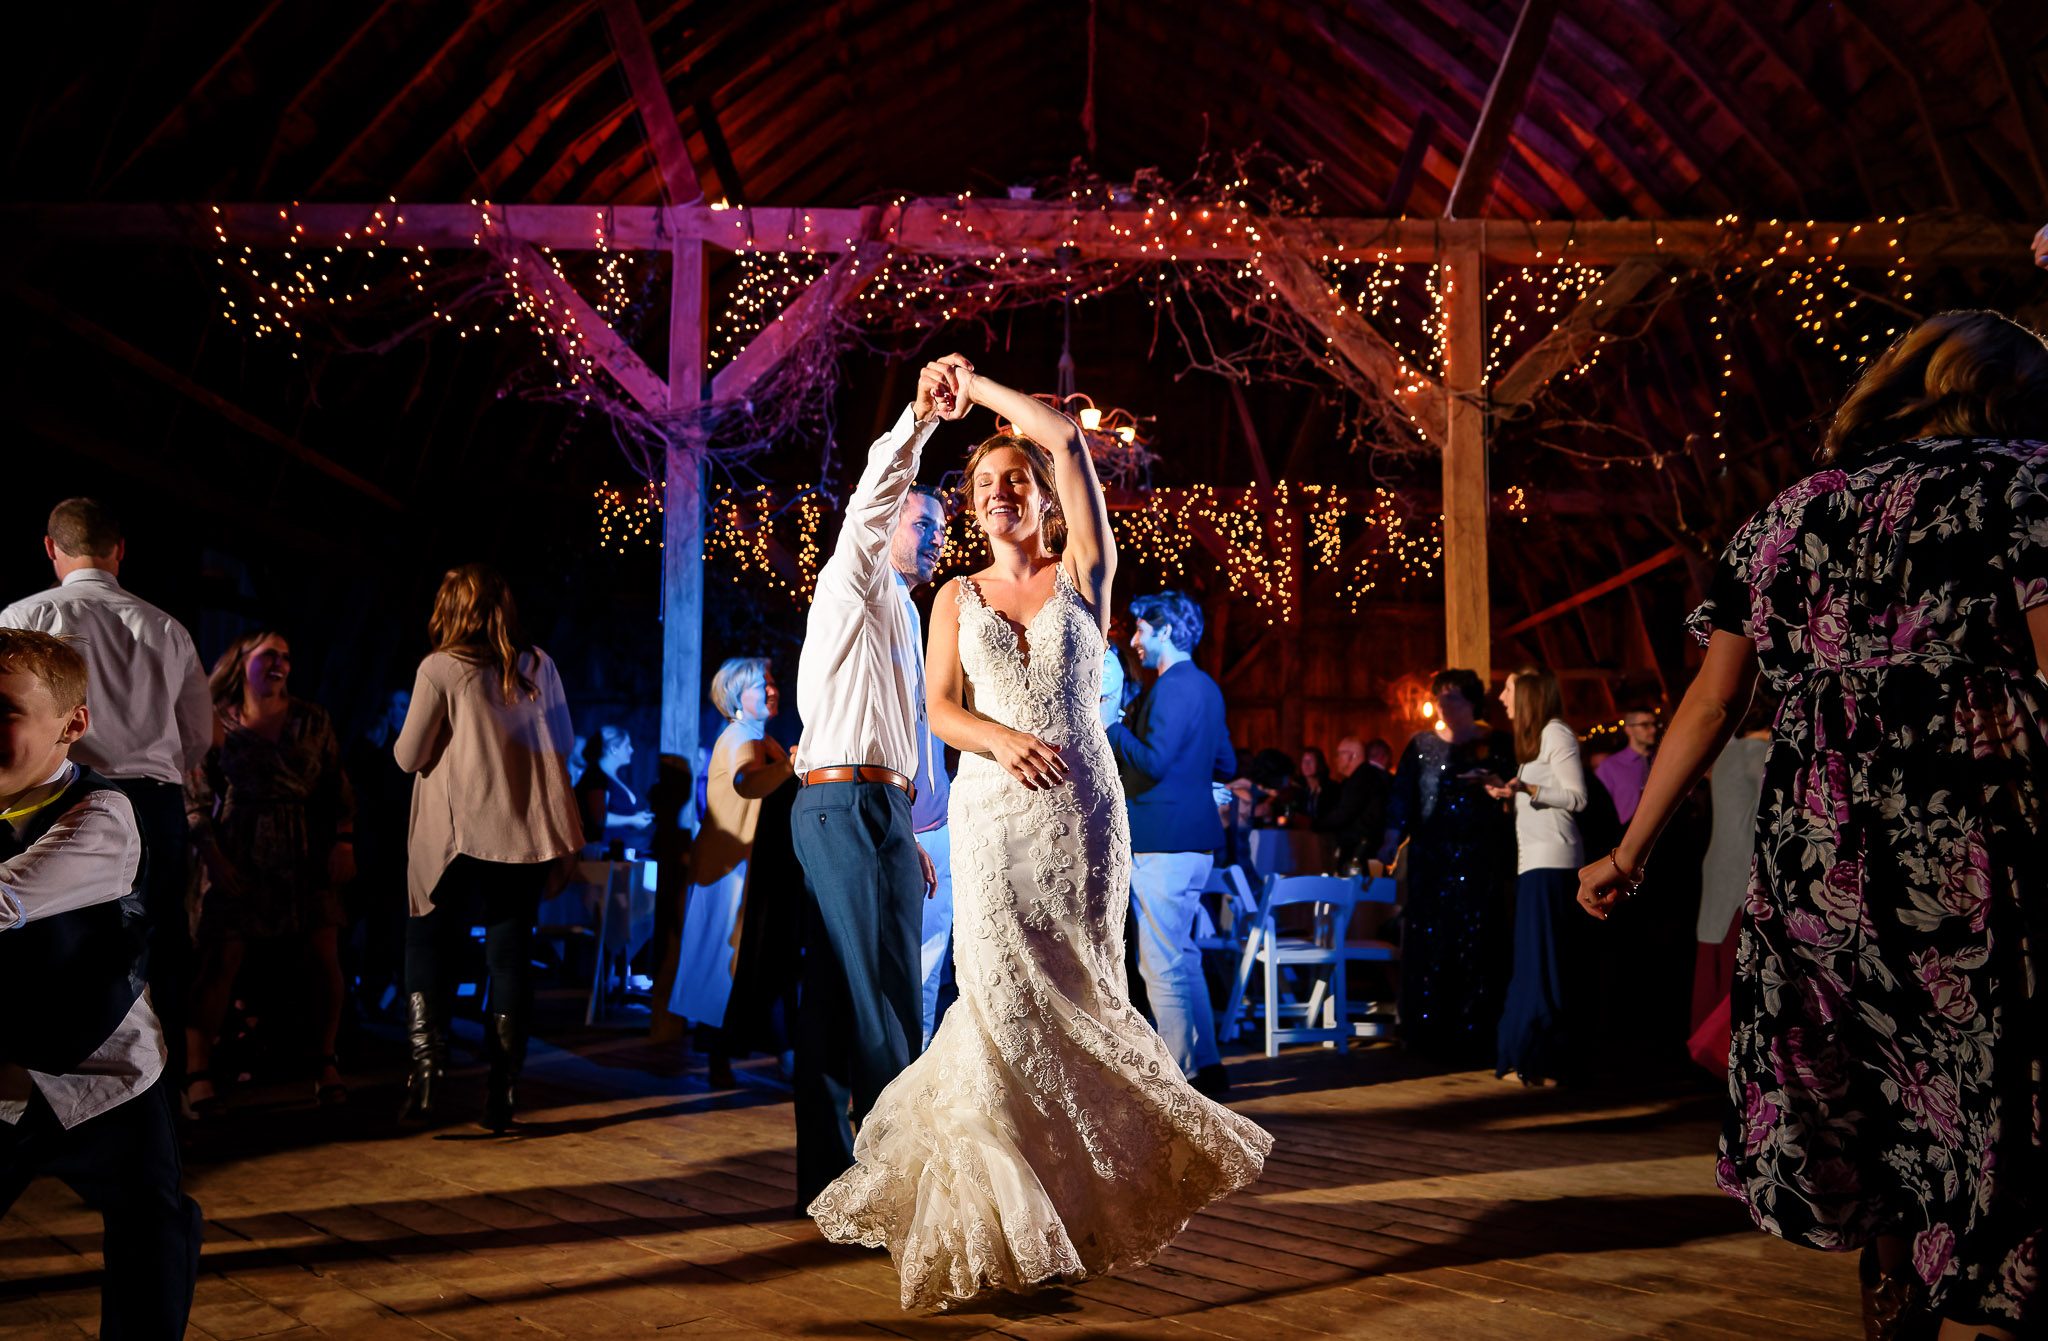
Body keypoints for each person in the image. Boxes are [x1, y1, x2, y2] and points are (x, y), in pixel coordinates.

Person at [1577, 311, 2048, 1339]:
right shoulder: (2026, 485)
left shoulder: (1788, 514)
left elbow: (1711, 704)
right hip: (1974, 831)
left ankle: (1895, 1302)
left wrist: (1627, 849)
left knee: (1864, 1081)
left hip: (1819, 849)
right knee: (1992, 1068)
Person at [808, 359, 1270, 1310]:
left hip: (1081, 818)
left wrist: (974, 392)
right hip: (990, 813)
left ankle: (1071, 1206)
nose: (997, 492)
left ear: (1045, 498)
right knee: (1000, 1001)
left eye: (1013, 479)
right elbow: (940, 707)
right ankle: (1004, 1220)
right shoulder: (952, 596)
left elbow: (1063, 436)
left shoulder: (1087, 576)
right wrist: (1000, 738)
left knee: (1081, 994)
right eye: (982, 483)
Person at [0, 629, 203, 1339]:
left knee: (153, 1234)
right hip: (6, 1076)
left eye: (4, 712)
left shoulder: (102, 815)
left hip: (104, 1074)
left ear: (73, 724)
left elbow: (5, 898)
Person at [788, 359, 951, 1209]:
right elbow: (869, 501)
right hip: (844, 800)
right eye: (923, 523)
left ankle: (828, 1177)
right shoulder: (853, 579)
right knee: (883, 993)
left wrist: (910, 829)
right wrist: (918, 423)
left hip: (874, 804)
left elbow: (905, 736)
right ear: (889, 527)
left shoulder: (910, 614)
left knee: (839, 992)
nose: (936, 538)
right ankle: (897, 1178)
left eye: (941, 529)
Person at [0, 498, 212, 1098]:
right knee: (160, 947)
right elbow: (198, 734)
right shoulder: (166, 627)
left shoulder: (26, 615)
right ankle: (166, 1094)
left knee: (62, 944)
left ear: (51, 548)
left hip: (61, 794)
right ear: (120, 550)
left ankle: (54, 1092)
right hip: (156, 800)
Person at [393, 565, 583, 1131]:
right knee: (509, 956)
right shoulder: (538, 666)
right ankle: (502, 1089)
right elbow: (564, 741)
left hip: (457, 836)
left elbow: (408, 756)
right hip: (521, 832)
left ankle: (427, 1074)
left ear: (450, 608)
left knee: (429, 942)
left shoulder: (440, 668)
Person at [183, 631, 356, 1112]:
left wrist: (343, 842)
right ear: (242, 662)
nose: (280, 663)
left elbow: (338, 787)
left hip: (304, 848)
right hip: (238, 848)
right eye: (269, 655)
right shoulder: (217, 720)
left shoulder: (310, 719)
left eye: (286, 656)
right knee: (221, 959)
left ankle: (325, 1062)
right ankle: (197, 1073)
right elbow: (194, 796)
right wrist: (213, 858)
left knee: (324, 954)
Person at [1104, 588, 1238, 1095]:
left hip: (1164, 841)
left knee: (1159, 963)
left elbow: (1156, 761)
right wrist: (1194, 780)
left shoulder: (1173, 686)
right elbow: (1225, 762)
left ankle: (1183, 1078)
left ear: (1164, 630)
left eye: (1142, 629)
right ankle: (1208, 1064)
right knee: (1181, 954)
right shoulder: (1206, 686)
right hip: (1193, 842)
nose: (1135, 640)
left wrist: (1114, 727)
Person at [1375, 668, 1514, 1061]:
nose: (1443, 704)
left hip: (1479, 856)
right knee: (1430, 940)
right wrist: (1389, 842)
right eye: (1439, 697)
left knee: (1477, 938)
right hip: (1431, 858)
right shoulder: (1421, 745)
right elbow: (1401, 798)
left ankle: (1477, 1031)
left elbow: (1514, 792)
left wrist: (1494, 784)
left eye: (1451, 696)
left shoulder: (1496, 743)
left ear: (1471, 702)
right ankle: (1426, 1032)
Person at [670, 657, 794, 1086]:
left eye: (773, 681)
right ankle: (732, 1055)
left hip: (758, 869)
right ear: (736, 697)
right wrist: (788, 767)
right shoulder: (741, 736)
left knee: (754, 962)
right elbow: (746, 782)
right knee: (733, 962)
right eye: (762, 684)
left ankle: (753, 1052)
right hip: (737, 872)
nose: (772, 689)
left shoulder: (761, 737)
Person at [1480, 666, 1587, 1086]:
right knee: (1531, 962)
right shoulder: (1534, 742)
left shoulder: (1555, 733)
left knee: (1542, 963)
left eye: (1508, 689)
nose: (1502, 697)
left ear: (1528, 694)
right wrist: (1510, 794)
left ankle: (1544, 1062)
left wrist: (1528, 789)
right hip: (1534, 862)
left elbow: (1577, 797)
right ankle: (1529, 1059)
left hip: (1553, 863)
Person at [1686, 695, 1773, 1076]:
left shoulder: (1725, 753)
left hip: (1718, 865)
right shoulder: (1761, 754)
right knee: (1742, 961)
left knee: (1718, 957)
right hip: (1743, 869)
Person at [344, 688, 412, 1020]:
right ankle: (361, 997)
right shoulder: (370, 746)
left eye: (406, 705)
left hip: (397, 853)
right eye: (396, 705)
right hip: (370, 849)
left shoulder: (411, 751)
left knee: (388, 927)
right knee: (364, 923)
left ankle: (379, 994)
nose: (402, 711)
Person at [1316, 734, 1392, 871]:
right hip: (1368, 850)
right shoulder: (1362, 778)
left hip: (1360, 853)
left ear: (1353, 756)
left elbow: (1345, 813)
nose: (1336, 759)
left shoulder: (1362, 779)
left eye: (1340, 754)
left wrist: (1314, 824)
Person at [576, 725, 652, 851]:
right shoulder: (596, 776)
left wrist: (638, 817)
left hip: (624, 851)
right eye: (627, 746)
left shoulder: (618, 777)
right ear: (613, 749)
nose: (632, 750)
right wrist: (632, 820)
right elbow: (599, 818)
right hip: (602, 853)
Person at [1595, 702, 1660, 825]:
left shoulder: (1660, 758)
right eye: (1645, 725)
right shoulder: (1609, 766)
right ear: (1629, 729)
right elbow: (1600, 810)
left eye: (1654, 724)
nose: (1653, 730)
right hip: (1631, 832)